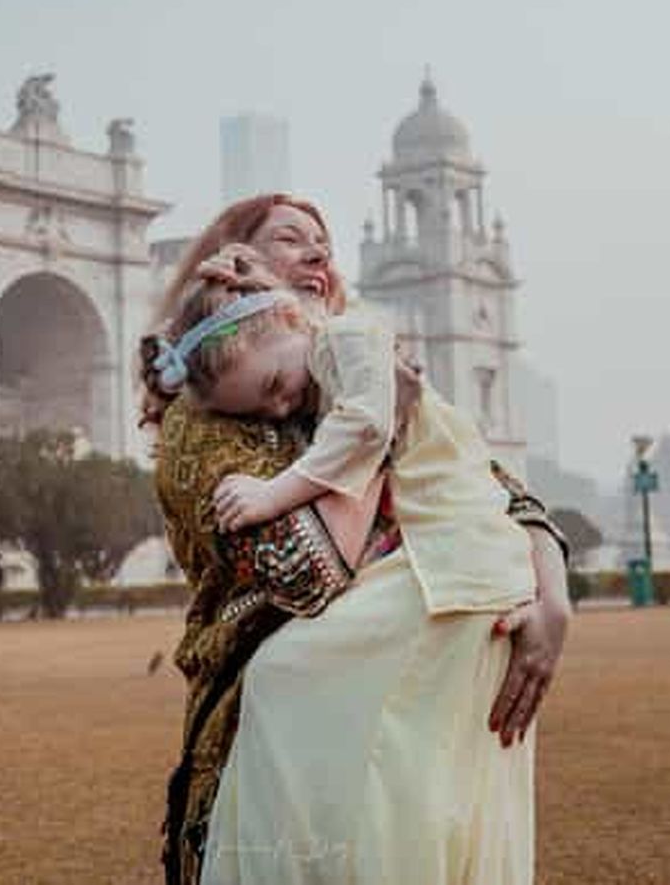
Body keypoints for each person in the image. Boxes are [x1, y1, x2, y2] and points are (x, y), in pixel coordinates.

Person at [143, 195, 569, 885]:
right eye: (290, 239)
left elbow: (501, 490)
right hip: (269, 741)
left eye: (324, 241)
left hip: (408, 722)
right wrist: (382, 432)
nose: (318, 252)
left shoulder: (347, 365)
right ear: (237, 270)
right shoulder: (205, 418)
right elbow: (304, 571)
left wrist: (553, 598)